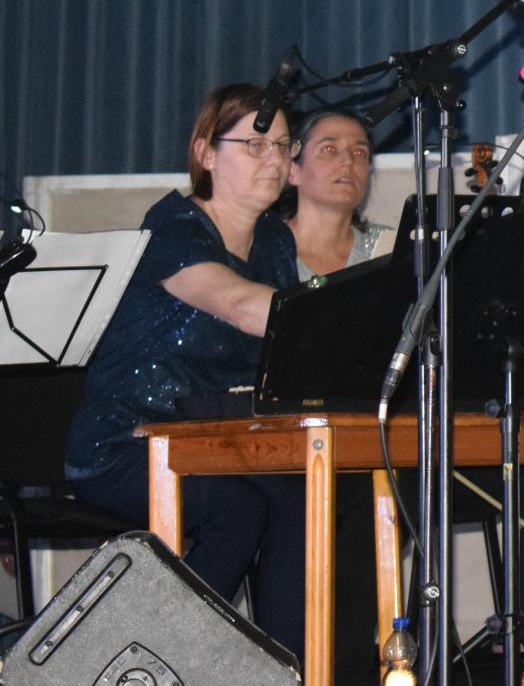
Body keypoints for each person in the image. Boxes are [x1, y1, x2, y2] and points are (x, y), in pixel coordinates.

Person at [64, 83, 307, 660]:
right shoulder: (172, 228)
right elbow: (241, 306)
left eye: (283, 145)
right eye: (255, 144)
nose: (274, 159)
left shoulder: (274, 239)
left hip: (215, 442)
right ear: (205, 153)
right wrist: (339, 317)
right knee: (236, 510)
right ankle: (147, 657)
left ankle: (288, 667)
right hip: (125, 444)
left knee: (302, 497)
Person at [278, 108, 390, 282]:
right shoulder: (265, 251)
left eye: (360, 152)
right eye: (329, 149)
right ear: (293, 170)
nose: (348, 160)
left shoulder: (390, 249)